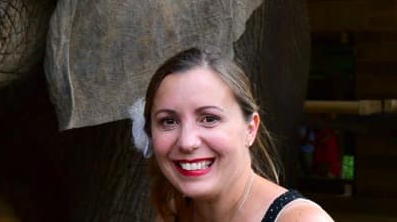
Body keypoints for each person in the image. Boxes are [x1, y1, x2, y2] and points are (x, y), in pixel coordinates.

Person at [131, 47, 334, 222]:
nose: (187, 141)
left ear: (250, 129)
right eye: (168, 121)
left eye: (209, 119)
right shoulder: (174, 212)